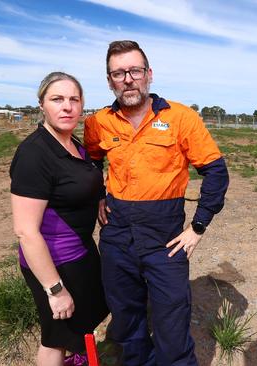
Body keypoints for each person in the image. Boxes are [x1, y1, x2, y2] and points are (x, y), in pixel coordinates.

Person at [84, 40, 229, 365]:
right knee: (127, 321)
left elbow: (216, 171)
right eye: (118, 73)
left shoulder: (181, 118)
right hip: (116, 236)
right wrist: (98, 197)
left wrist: (198, 227)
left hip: (165, 239)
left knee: (172, 322)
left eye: (134, 70)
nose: (128, 79)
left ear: (148, 74)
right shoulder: (98, 123)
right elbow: (91, 163)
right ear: (109, 81)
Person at [10, 72, 109, 366]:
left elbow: (81, 179)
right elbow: (26, 231)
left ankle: (80, 359)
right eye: (57, 99)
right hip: (54, 263)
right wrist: (55, 290)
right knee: (56, 338)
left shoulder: (72, 143)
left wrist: (100, 198)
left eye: (73, 99)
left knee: (80, 326)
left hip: (80, 252)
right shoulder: (34, 154)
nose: (66, 107)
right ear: (42, 104)